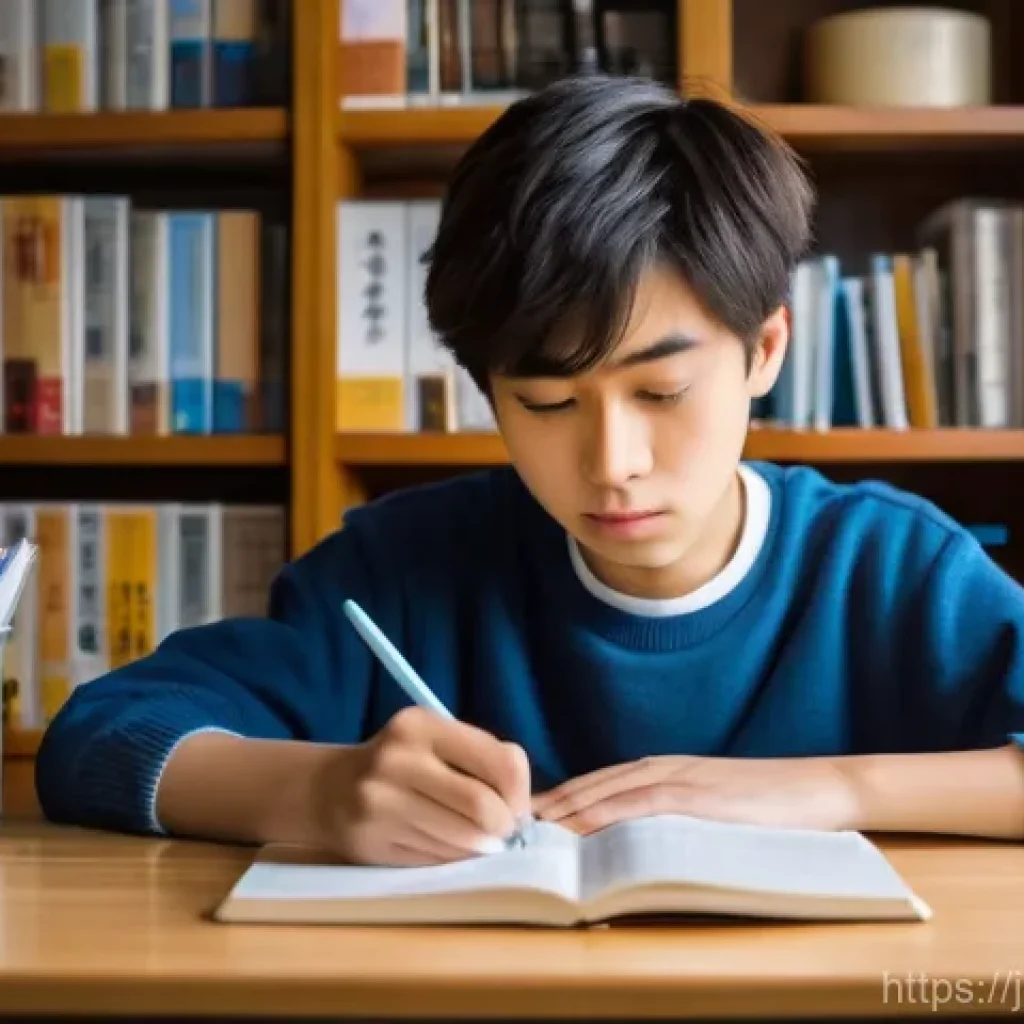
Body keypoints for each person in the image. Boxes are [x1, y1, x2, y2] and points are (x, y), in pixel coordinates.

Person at [36, 75, 1024, 864]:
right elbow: (101, 733)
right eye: (547, 404)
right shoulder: (407, 564)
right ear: (486, 387)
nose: (611, 464)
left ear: (764, 349)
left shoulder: (892, 569)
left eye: (661, 393)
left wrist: (831, 788)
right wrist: (316, 793)